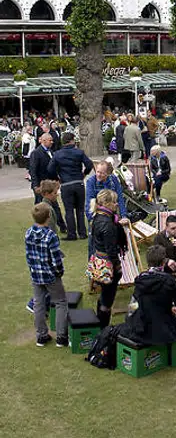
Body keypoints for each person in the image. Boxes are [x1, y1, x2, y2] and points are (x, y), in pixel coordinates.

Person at [125, 244, 176, 345]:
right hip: (164, 330)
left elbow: (133, 305)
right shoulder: (169, 281)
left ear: (148, 262)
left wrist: (130, 320)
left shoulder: (141, 280)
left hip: (143, 328)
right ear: (164, 262)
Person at [26, 202, 69, 348]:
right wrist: (59, 272)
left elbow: (29, 256)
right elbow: (56, 258)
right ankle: (62, 337)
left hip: (36, 274)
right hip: (51, 275)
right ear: (49, 216)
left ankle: (41, 336)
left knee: (38, 304)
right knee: (60, 302)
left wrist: (32, 270)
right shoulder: (50, 235)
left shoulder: (28, 233)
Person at [90, 189, 127, 328]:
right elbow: (111, 250)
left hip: (99, 261)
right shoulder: (108, 224)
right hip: (107, 265)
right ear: (106, 203)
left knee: (104, 295)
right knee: (108, 298)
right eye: (114, 202)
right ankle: (103, 329)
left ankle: (100, 323)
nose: (117, 204)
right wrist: (117, 268)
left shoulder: (97, 216)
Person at [49, 132, 92, 240]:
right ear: (72, 140)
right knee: (80, 209)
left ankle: (71, 234)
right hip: (78, 182)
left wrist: (58, 178)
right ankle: (82, 233)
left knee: (69, 210)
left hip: (66, 183)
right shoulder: (79, 152)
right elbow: (89, 165)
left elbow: (50, 169)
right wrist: (84, 174)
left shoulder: (57, 154)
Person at [84, 160, 127, 237]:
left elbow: (120, 198)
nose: (99, 175)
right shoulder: (91, 182)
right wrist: (92, 220)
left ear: (108, 174)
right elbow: (89, 202)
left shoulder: (113, 180)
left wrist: (124, 216)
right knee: (95, 242)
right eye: (97, 172)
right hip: (97, 216)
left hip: (112, 215)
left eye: (102, 173)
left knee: (113, 238)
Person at [28, 131, 54, 204]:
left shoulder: (51, 152)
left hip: (49, 184)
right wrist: (36, 185)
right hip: (40, 185)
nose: (52, 142)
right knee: (41, 206)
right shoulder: (36, 153)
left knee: (53, 207)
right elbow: (32, 170)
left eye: (52, 140)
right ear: (44, 141)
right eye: (50, 140)